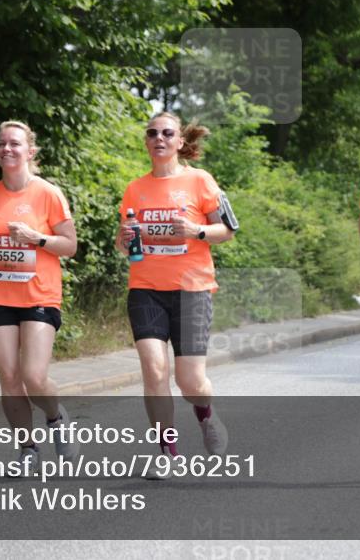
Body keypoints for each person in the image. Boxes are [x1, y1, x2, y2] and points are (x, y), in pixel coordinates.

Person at [115, 112, 235, 471]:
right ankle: (167, 453)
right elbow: (126, 242)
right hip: (145, 288)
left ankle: (206, 415)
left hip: (191, 289)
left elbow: (227, 230)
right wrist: (122, 241)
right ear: (146, 141)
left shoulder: (200, 181)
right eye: (152, 133)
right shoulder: (135, 188)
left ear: (180, 142)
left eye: (167, 133)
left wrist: (195, 230)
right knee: (153, 371)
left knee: (190, 381)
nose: (159, 138)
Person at [0, 120, 80, 473]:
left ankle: (55, 416)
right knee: (8, 376)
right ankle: (27, 450)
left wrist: (37, 238)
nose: (7, 149)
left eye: (15, 144)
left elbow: (70, 247)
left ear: (30, 151)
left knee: (34, 376)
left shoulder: (48, 193)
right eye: (1, 143)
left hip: (39, 295)